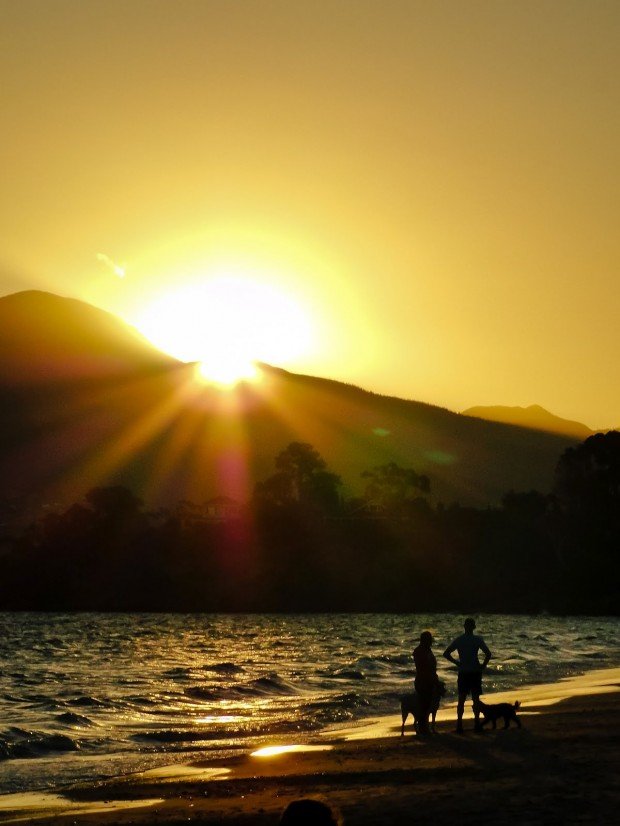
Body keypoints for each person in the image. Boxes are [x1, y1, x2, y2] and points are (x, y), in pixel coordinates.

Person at [443, 617, 491, 733]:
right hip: (474, 671)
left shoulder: (459, 640)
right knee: (475, 699)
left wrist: (457, 663)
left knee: (461, 699)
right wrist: (483, 666)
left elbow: (446, 653)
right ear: (474, 627)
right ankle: (476, 724)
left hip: (464, 671)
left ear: (464, 627)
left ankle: (459, 725)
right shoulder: (477, 640)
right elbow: (488, 654)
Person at [413, 630, 438, 734]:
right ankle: (423, 727)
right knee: (424, 704)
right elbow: (423, 666)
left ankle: (424, 727)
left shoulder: (426, 650)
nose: (431, 642)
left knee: (427, 704)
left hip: (428, 679)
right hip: (423, 680)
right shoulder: (420, 651)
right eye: (429, 640)